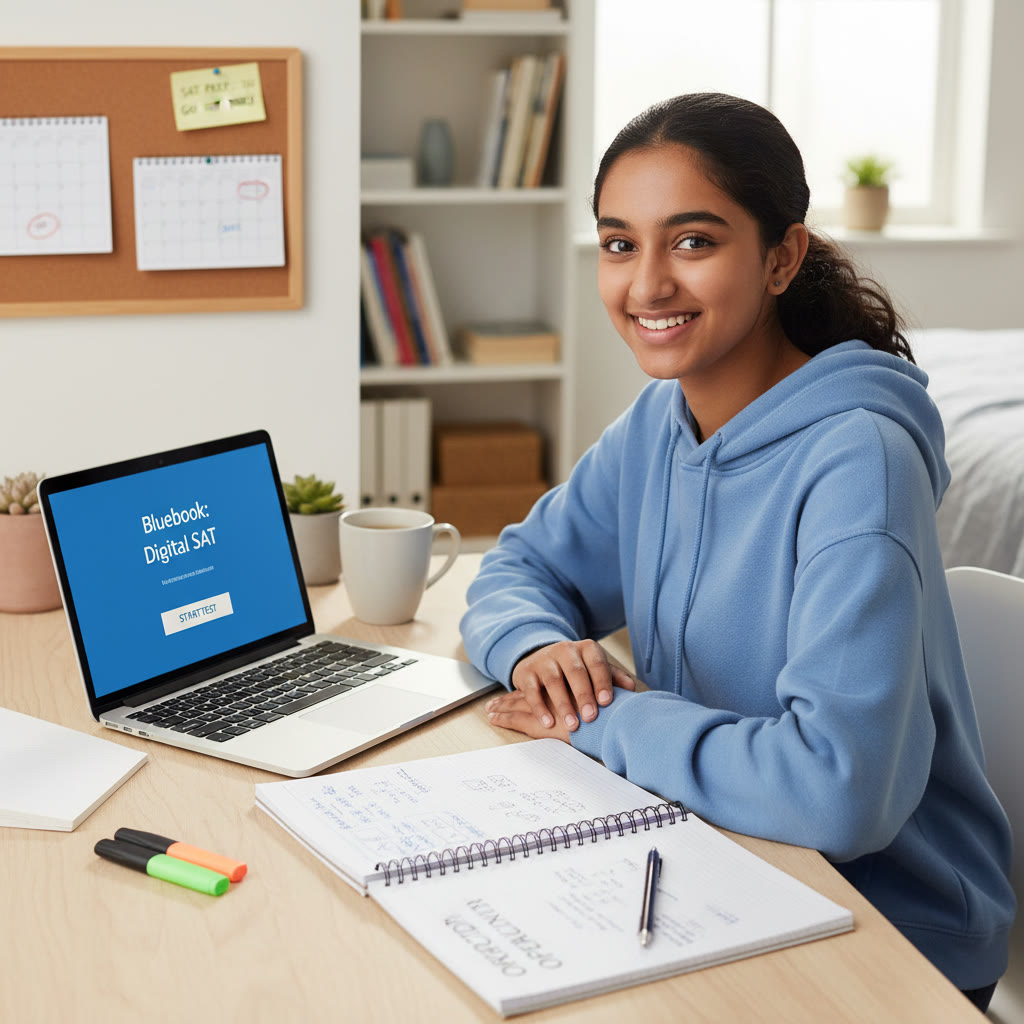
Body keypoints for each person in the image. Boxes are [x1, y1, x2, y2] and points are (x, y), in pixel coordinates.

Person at [459, 92, 1014, 1011]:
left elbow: (839, 794)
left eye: (693, 241)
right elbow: (522, 568)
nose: (646, 287)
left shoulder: (858, 463)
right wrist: (537, 653)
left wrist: (599, 722)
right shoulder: (658, 425)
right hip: (720, 861)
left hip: (892, 935)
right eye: (619, 244)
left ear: (782, 257)